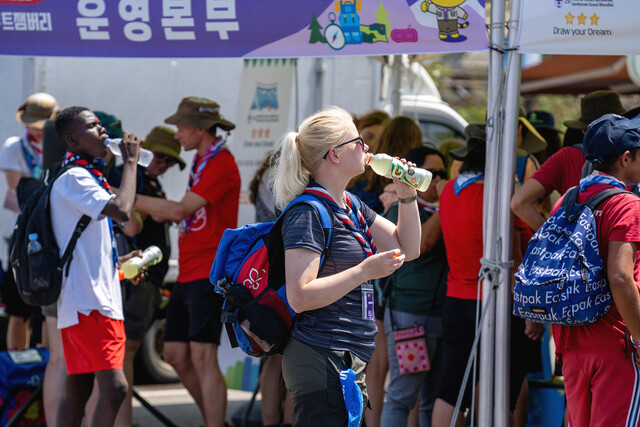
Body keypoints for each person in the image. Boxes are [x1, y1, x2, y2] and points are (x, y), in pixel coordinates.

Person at [273, 106, 421, 426]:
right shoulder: (308, 211)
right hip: (320, 355)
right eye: (358, 141)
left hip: (346, 359)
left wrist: (407, 195)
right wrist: (364, 272)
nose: (366, 147)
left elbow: (407, 248)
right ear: (335, 156)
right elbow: (299, 295)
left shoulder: (350, 203)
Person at [134, 96, 241, 427]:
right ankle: (216, 421)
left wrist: (117, 196)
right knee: (175, 355)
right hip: (190, 271)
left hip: (209, 272)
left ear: (199, 129)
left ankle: (214, 424)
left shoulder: (221, 162)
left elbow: (180, 211)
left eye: (180, 127)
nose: (177, 135)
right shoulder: (203, 160)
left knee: (202, 356)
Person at [432, 124, 542, 427]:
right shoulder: (501, 195)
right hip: (499, 302)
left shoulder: (449, 193)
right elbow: (518, 257)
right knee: (501, 390)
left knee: (451, 390)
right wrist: (530, 309)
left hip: (456, 300)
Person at [51, 106, 142, 427]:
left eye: (101, 125)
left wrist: (120, 264)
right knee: (115, 389)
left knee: (79, 388)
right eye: (92, 126)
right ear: (71, 139)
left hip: (87, 299)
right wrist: (131, 162)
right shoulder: (75, 177)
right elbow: (122, 210)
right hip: (91, 304)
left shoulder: (84, 175)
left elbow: (85, 250)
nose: (102, 130)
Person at [549, 114, 640, 426]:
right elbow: (620, 276)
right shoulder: (628, 205)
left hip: (570, 344)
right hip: (617, 346)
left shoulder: (566, 200)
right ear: (626, 158)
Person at [107, 125, 185, 426]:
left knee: (126, 351)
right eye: (159, 158)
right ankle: (121, 421)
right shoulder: (131, 175)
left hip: (143, 278)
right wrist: (155, 210)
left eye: (168, 162)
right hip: (133, 276)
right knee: (125, 352)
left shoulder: (146, 179)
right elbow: (131, 225)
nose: (162, 166)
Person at [378, 146, 448, 427]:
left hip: (441, 316)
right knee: (402, 395)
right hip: (410, 317)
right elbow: (423, 243)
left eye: (443, 173)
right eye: (434, 173)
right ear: (416, 174)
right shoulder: (401, 209)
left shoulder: (437, 209)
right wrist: (448, 206)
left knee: (432, 397)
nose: (440, 180)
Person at [512, 90, 640, 232]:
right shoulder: (632, 168)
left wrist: (556, 237)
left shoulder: (565, 160)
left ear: (585, 133)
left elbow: (519, 203)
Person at [0, 92, 58, 350]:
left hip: (54, 232)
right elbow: (14, 194)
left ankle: (47, 365)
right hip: (25, 234)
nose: (32, 129)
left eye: (38, 123)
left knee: (50, 309)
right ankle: (17, 365)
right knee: (18, 307)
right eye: (29, 123)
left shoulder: (60, 144)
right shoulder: (15, 146)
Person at [248, 153, 293, 427]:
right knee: (285, 356)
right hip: (281, 273)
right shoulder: (279, 179)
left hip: (266, 274)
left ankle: (270, 420)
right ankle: (283, 421)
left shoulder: (266, 177)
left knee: (273, 355)